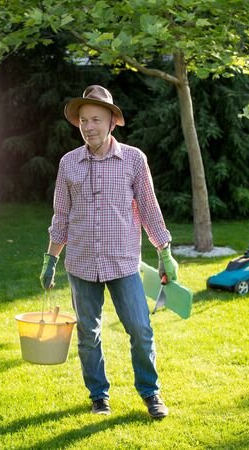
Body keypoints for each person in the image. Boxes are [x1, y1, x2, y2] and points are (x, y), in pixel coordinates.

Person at [40, 85, 178, 418]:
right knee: (89, 335)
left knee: (140, 329)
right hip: (82, 264)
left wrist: (165, 252)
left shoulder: (134, 159)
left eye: (96, 120)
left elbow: (148, 209)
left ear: (112, 122)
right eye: (84, 120)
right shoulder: (69, 163)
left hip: (124, 263)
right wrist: (51, 259)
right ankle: (98, 396)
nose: (89, 127)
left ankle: (150, 393)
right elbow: (62, 216)